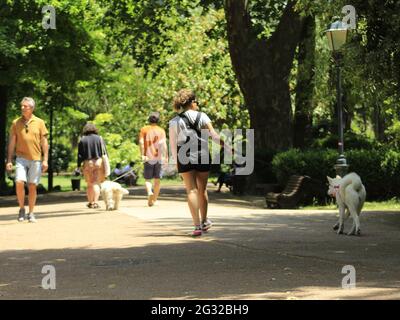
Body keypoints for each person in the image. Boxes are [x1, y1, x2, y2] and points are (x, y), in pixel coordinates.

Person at [169, 89, 230, 237]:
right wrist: (226, 146)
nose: (197, 104)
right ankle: (204, 221)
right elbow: (214, 136)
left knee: (191, 190)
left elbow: (173, 144)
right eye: (196, 101)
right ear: (191, 102)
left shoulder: (174, 121)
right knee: (202, 190)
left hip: (184, 155)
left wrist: (176, 161)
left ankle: (196, 226)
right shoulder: (202, 116)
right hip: (202, 154)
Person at [6, 97, 49, 223]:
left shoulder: (40, 122)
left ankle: (31, 212)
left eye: (25, 106)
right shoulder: (16, 123)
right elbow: (12, 143)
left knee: (32, 186)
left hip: (36, 159)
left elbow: (44, 142)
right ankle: (21, 208)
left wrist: (45, 160)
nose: (22, 108)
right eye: (22, 106)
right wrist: (9, 160)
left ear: (32, 108)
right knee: (19, 181)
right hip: (21, 158)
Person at [139, 112, 168, 206]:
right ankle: (154, 200)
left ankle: (149, 193)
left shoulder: (144, 129)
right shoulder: (161, 130)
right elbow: (163, 145)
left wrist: (143, 155)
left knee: (147, 179)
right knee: (157, 179)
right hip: (158, 157)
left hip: (148, 157)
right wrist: (166, 156)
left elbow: (141, 142)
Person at [77, 123, 107, 209]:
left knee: (90, 184)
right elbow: (104, 152)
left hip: (87, 163)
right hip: (98, 162)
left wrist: (79, 165)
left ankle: (90, 202)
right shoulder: (100, 139)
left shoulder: (82, 140)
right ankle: (96, 202)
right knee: (96, 183)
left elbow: (80, 155)